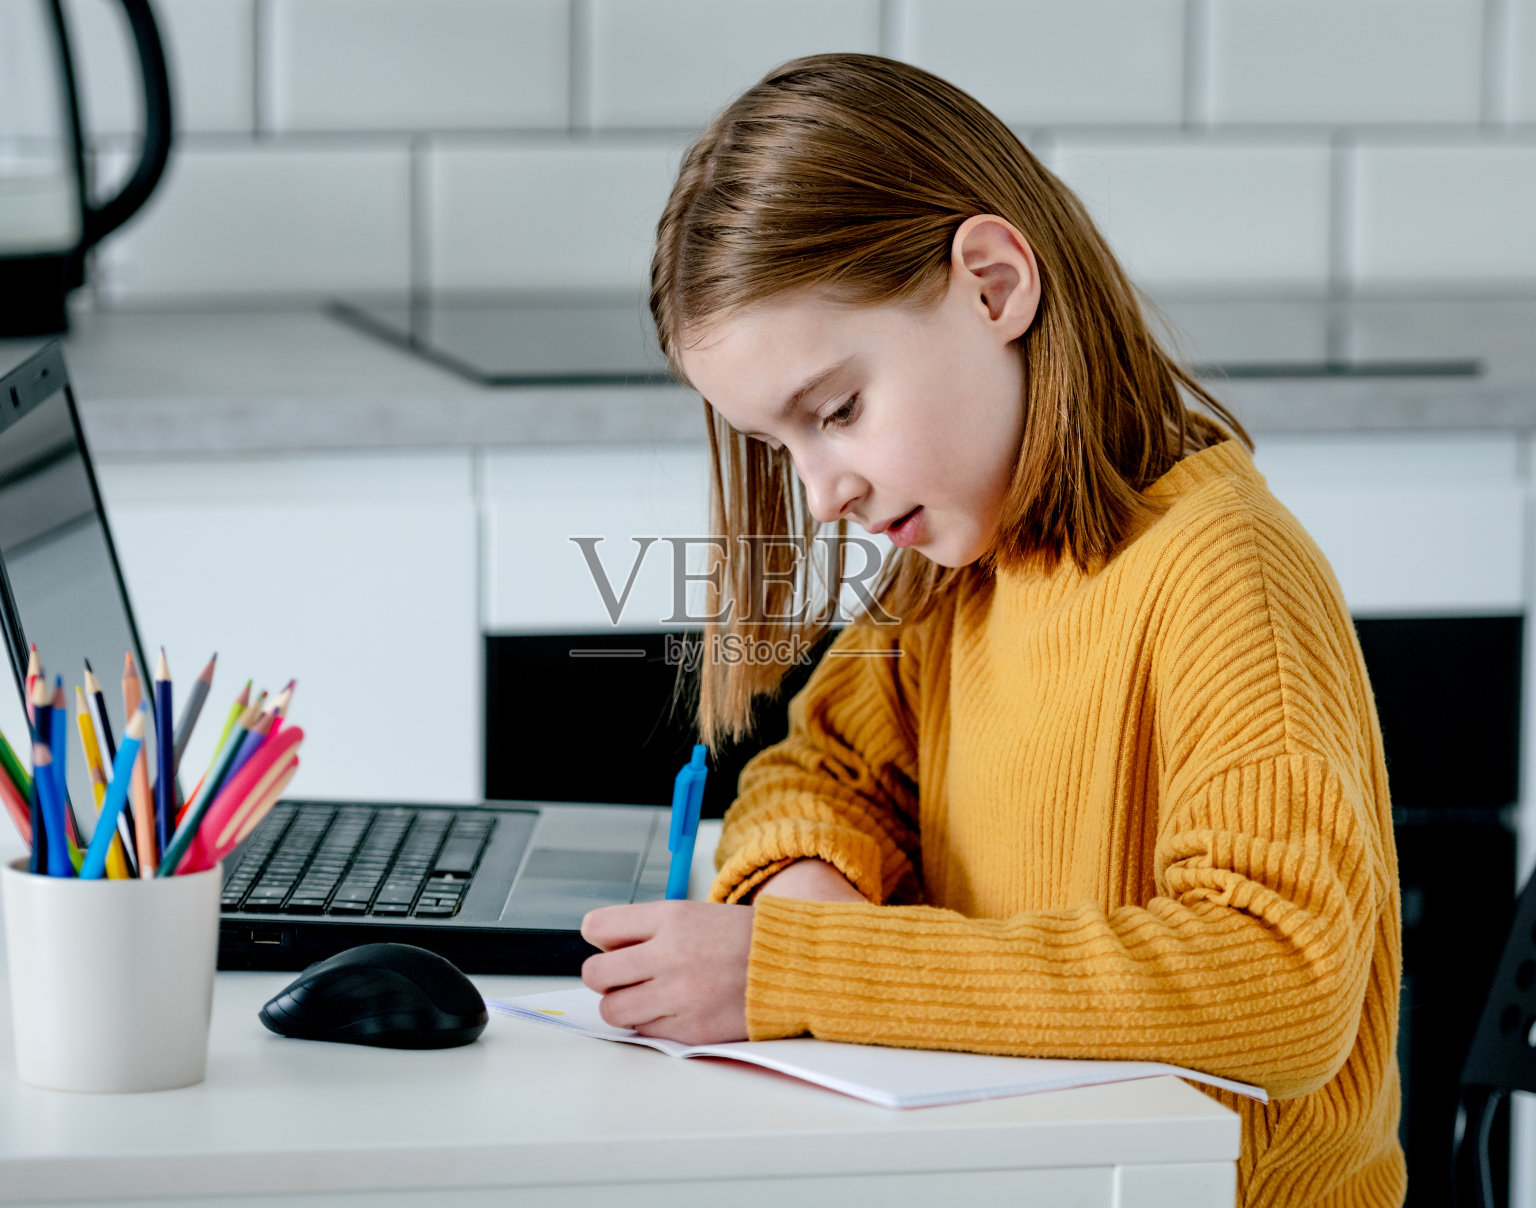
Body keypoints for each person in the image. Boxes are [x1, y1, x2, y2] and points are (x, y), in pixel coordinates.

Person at [579, 53, 1403, 1208]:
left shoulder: (1222, 571)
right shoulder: (957, 563)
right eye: (780, 447)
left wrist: (808, 966)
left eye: (838, 412)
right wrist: (805, 882)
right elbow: (820, 768)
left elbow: (1280, 979)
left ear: (992, 285)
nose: (821, 494)